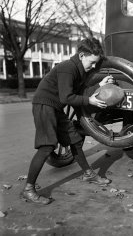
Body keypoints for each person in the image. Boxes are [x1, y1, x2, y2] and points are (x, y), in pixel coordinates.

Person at [20, 37, 114, 205]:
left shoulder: (79, 70)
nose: (93, 67)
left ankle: (88, 174)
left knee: (75, 140)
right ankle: (28, 189)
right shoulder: (67, 68)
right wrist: (90, 101)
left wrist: (100, 85)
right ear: (82, 55)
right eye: (91, 62)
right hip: (44, 106)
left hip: (55, 107)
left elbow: (81, 92)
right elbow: (67, 97)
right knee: (47, 146)